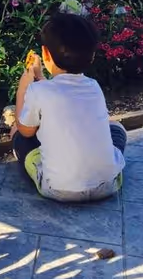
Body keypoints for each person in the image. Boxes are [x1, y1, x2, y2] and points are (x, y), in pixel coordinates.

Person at [12, 13, 126, 202]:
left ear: (46, 54)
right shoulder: (94, 86)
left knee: (19, 135)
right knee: (116, 128)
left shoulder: (37, 90)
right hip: (108, 185)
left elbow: (25, 130)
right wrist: (40, 79)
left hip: (59, 189)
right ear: (92, 57)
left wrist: (23, 87)